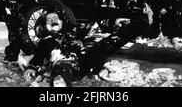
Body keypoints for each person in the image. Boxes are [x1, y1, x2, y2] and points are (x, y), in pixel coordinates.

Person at [23, 8, 152, 87]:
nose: (53, 20)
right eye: (49, 20)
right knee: (62, 71)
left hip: (85, 59)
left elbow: (92, 25)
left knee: (106, 45)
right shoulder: (46, 41)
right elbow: (36, 60)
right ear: (45, 26)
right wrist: (30, 68)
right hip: (64, 63)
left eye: (55, 18)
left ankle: (141, 25)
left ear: (62, 22)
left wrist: (114, 21)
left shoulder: (72, 33)